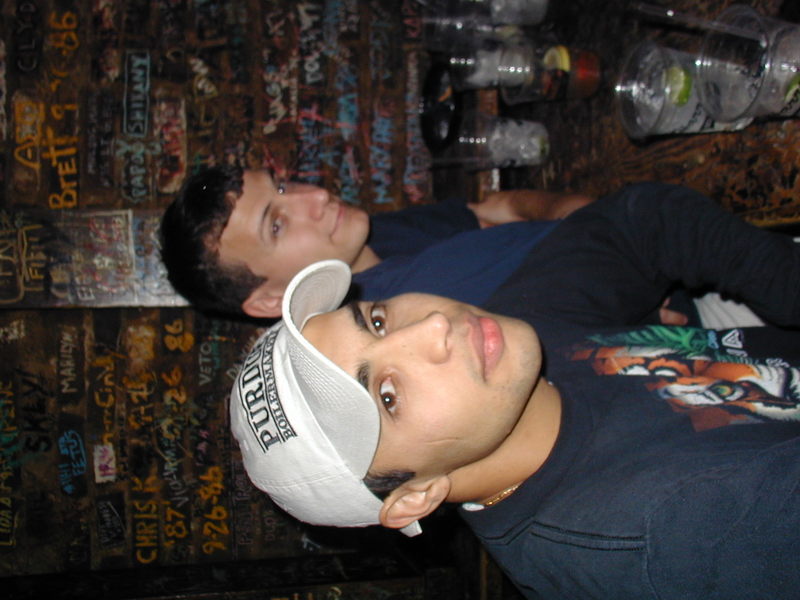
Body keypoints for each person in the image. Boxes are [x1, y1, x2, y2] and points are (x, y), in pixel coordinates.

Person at [229, 183, 800, 599]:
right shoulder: (677, 531)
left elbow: (640, 219)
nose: (432, 328)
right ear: (414, 497)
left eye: (377, 321)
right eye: (387, 396)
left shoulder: (506, 365)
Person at [158, 164, 594, 317]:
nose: (316, 197)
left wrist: (574, 213)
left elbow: (499, 206)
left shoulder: (365, 242)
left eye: (283, 187)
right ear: (271, 300)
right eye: (277, 225)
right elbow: (597, 244)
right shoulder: (417, 313)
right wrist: (586, 217)